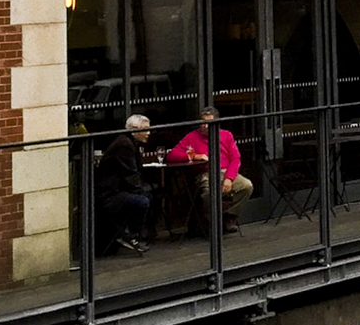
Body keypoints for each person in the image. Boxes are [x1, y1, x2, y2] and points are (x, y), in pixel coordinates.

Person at [168, 107, 253, 233]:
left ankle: (229, 216)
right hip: (205, 173)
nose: (205, 126)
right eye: (202, 122)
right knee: (209, 193)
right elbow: (171, 156)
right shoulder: (192, 137)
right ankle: (210, 222)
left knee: (246, 186)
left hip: (225, 172)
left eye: (209, 123)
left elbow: (235, 159)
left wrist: (229, 179)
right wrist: (195, 156)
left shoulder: (226, 135)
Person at [95, 114, 154, 255]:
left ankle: (131, 232)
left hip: (118, 190)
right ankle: (132, 235)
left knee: (149, 195)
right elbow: (130, 173)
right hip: (109, 194)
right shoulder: (125, 145)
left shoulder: (129, 143)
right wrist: (139, 189)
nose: (148, 133)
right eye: (145, 129)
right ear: (134, 131)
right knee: (143, 200)